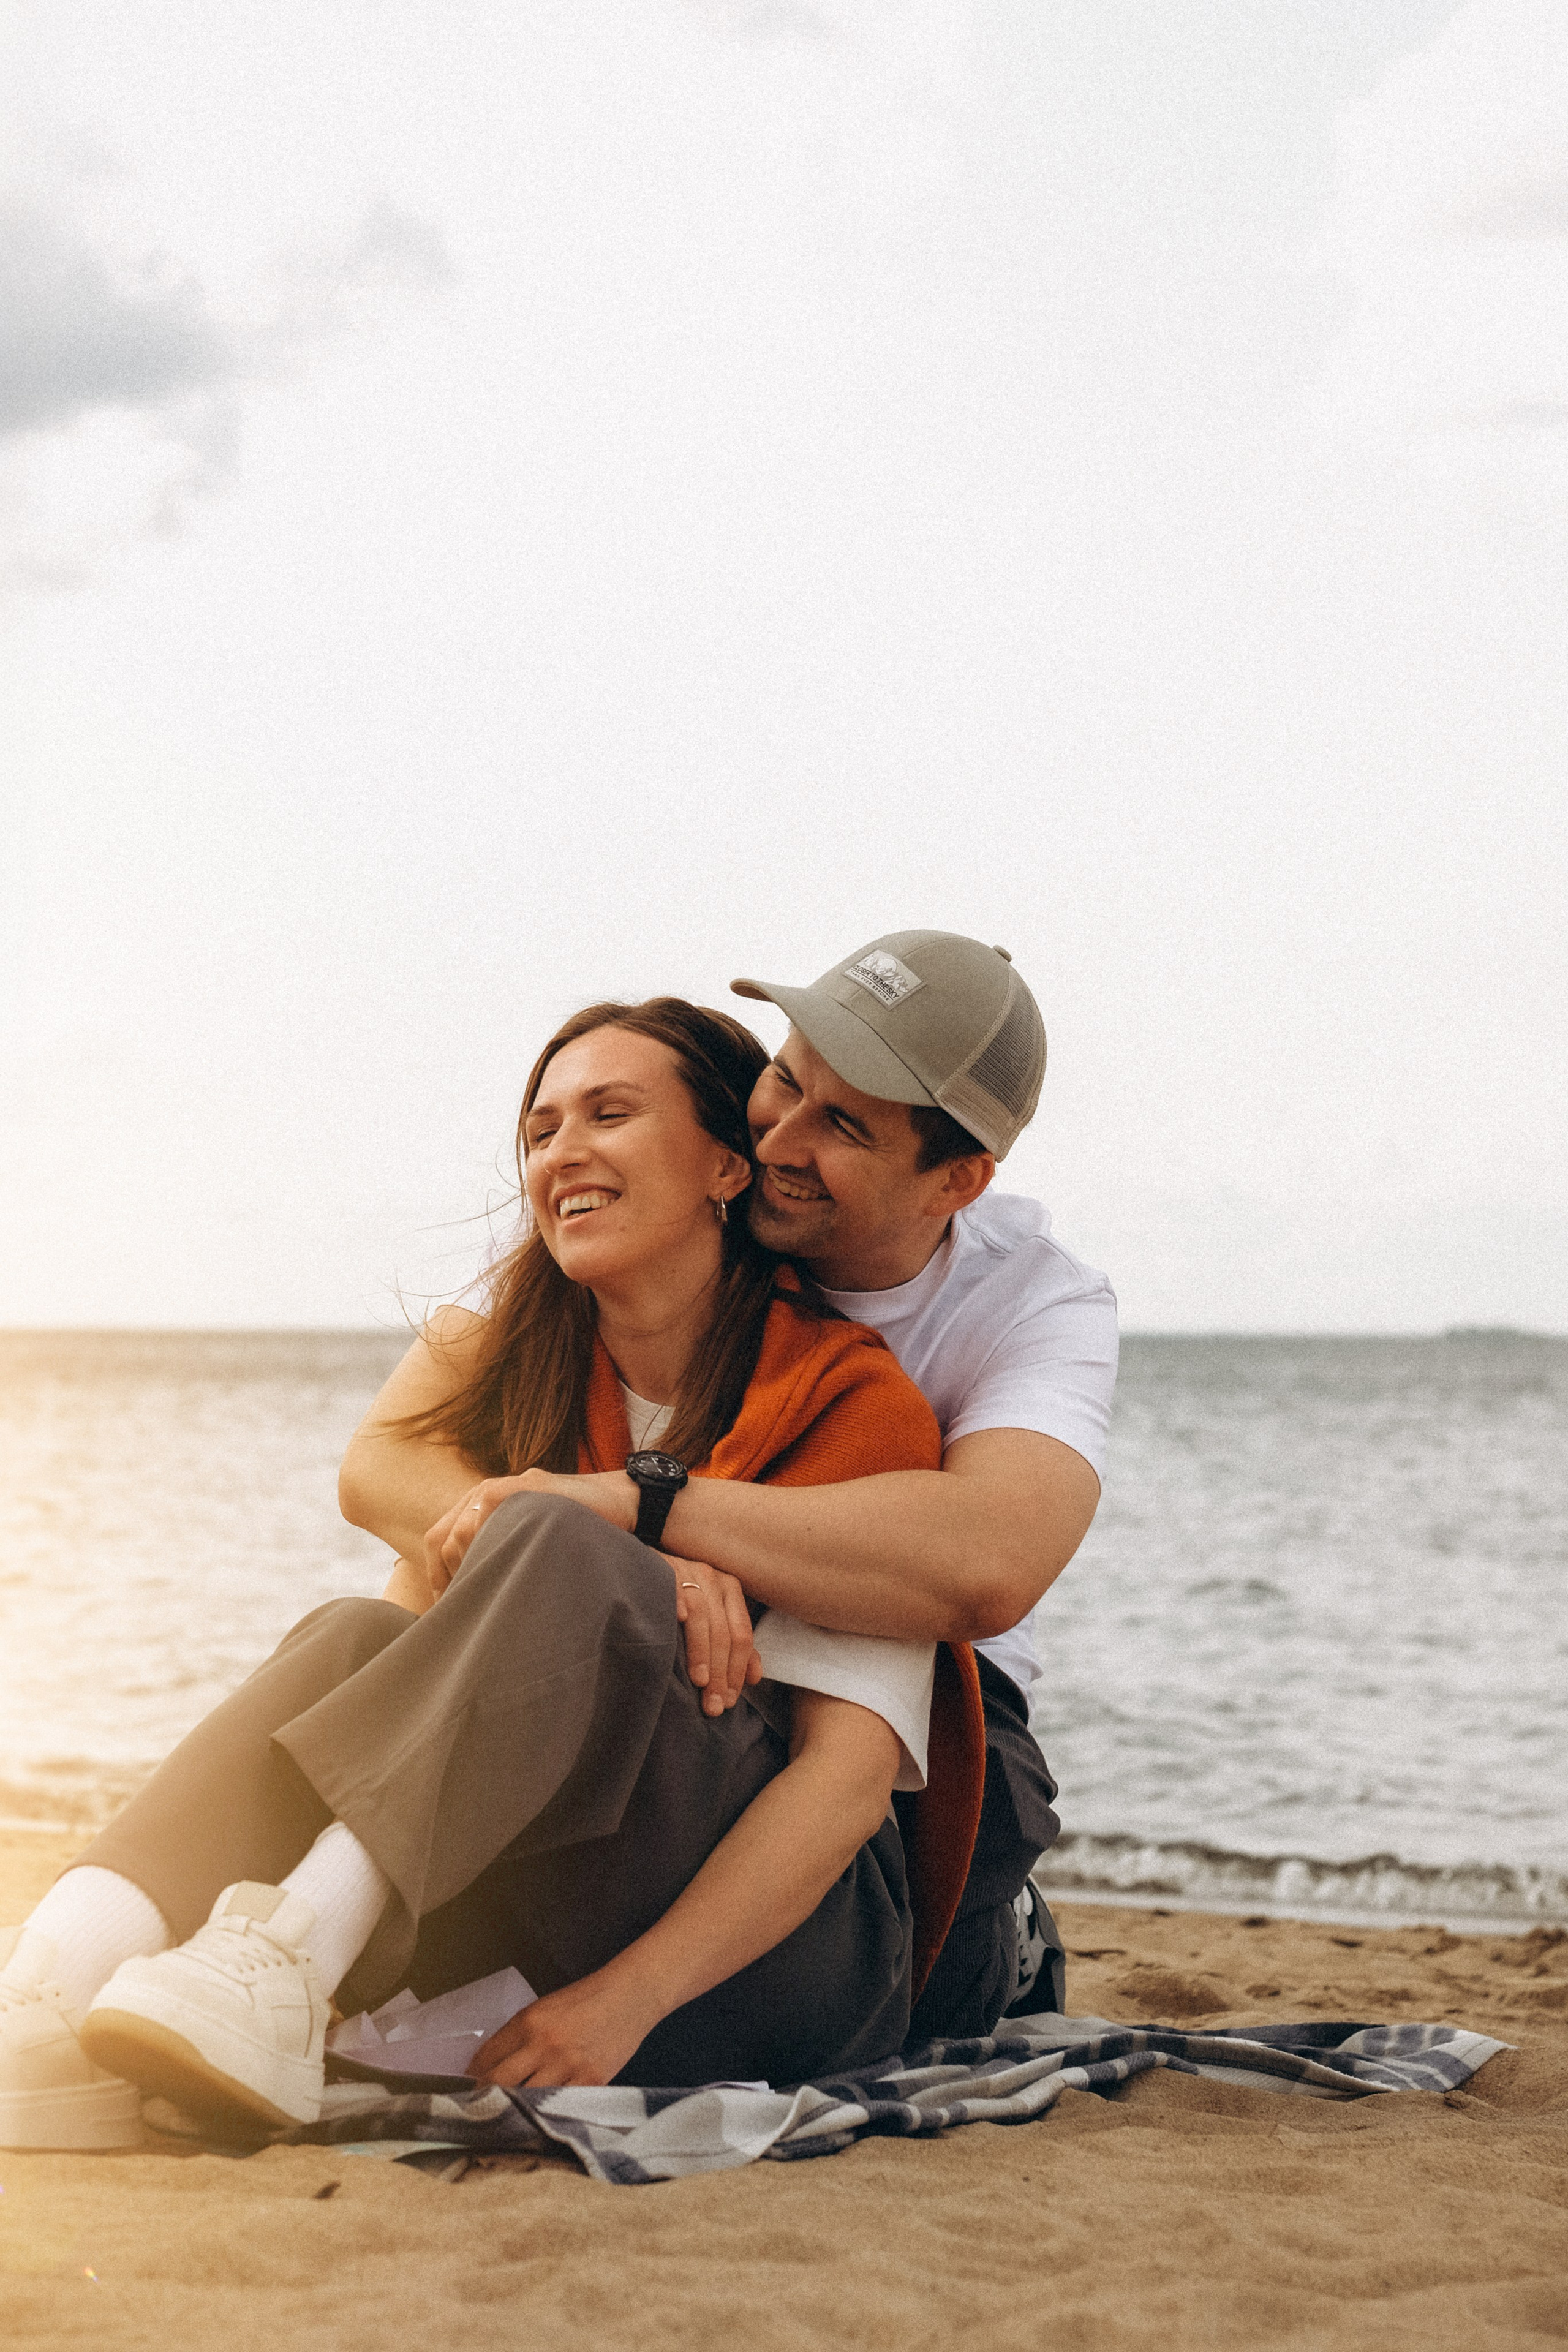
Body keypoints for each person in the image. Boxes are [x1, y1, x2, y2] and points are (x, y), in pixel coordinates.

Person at [0, 999, 985, 2152]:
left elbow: (846, 1788)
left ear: (728, 1163)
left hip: (791, 1958)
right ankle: (46, 1985)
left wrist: (630, 2002)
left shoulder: (851, 1399)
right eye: (540, 1129)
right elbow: (374, 1480)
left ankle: (286, 1959)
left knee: (554, 1534)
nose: (562, 1151)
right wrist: (643, 1573)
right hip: (562, 1899)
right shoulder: (526, 1362)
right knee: (349, 1645)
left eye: (610, 1114)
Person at [350, 932, 1118, 2037]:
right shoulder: (689, 1222)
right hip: (684, 1647)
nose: (781, 1141)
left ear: (956, 1180)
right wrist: (637, 1561)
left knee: (927, 1905)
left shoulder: (1035, 1306)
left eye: (845, 1126)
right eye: (787, 1080)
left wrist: (642, 1506)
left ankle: (1002, 1943)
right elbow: (387, 1460)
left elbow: (986, 1565)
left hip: (933, 1690)